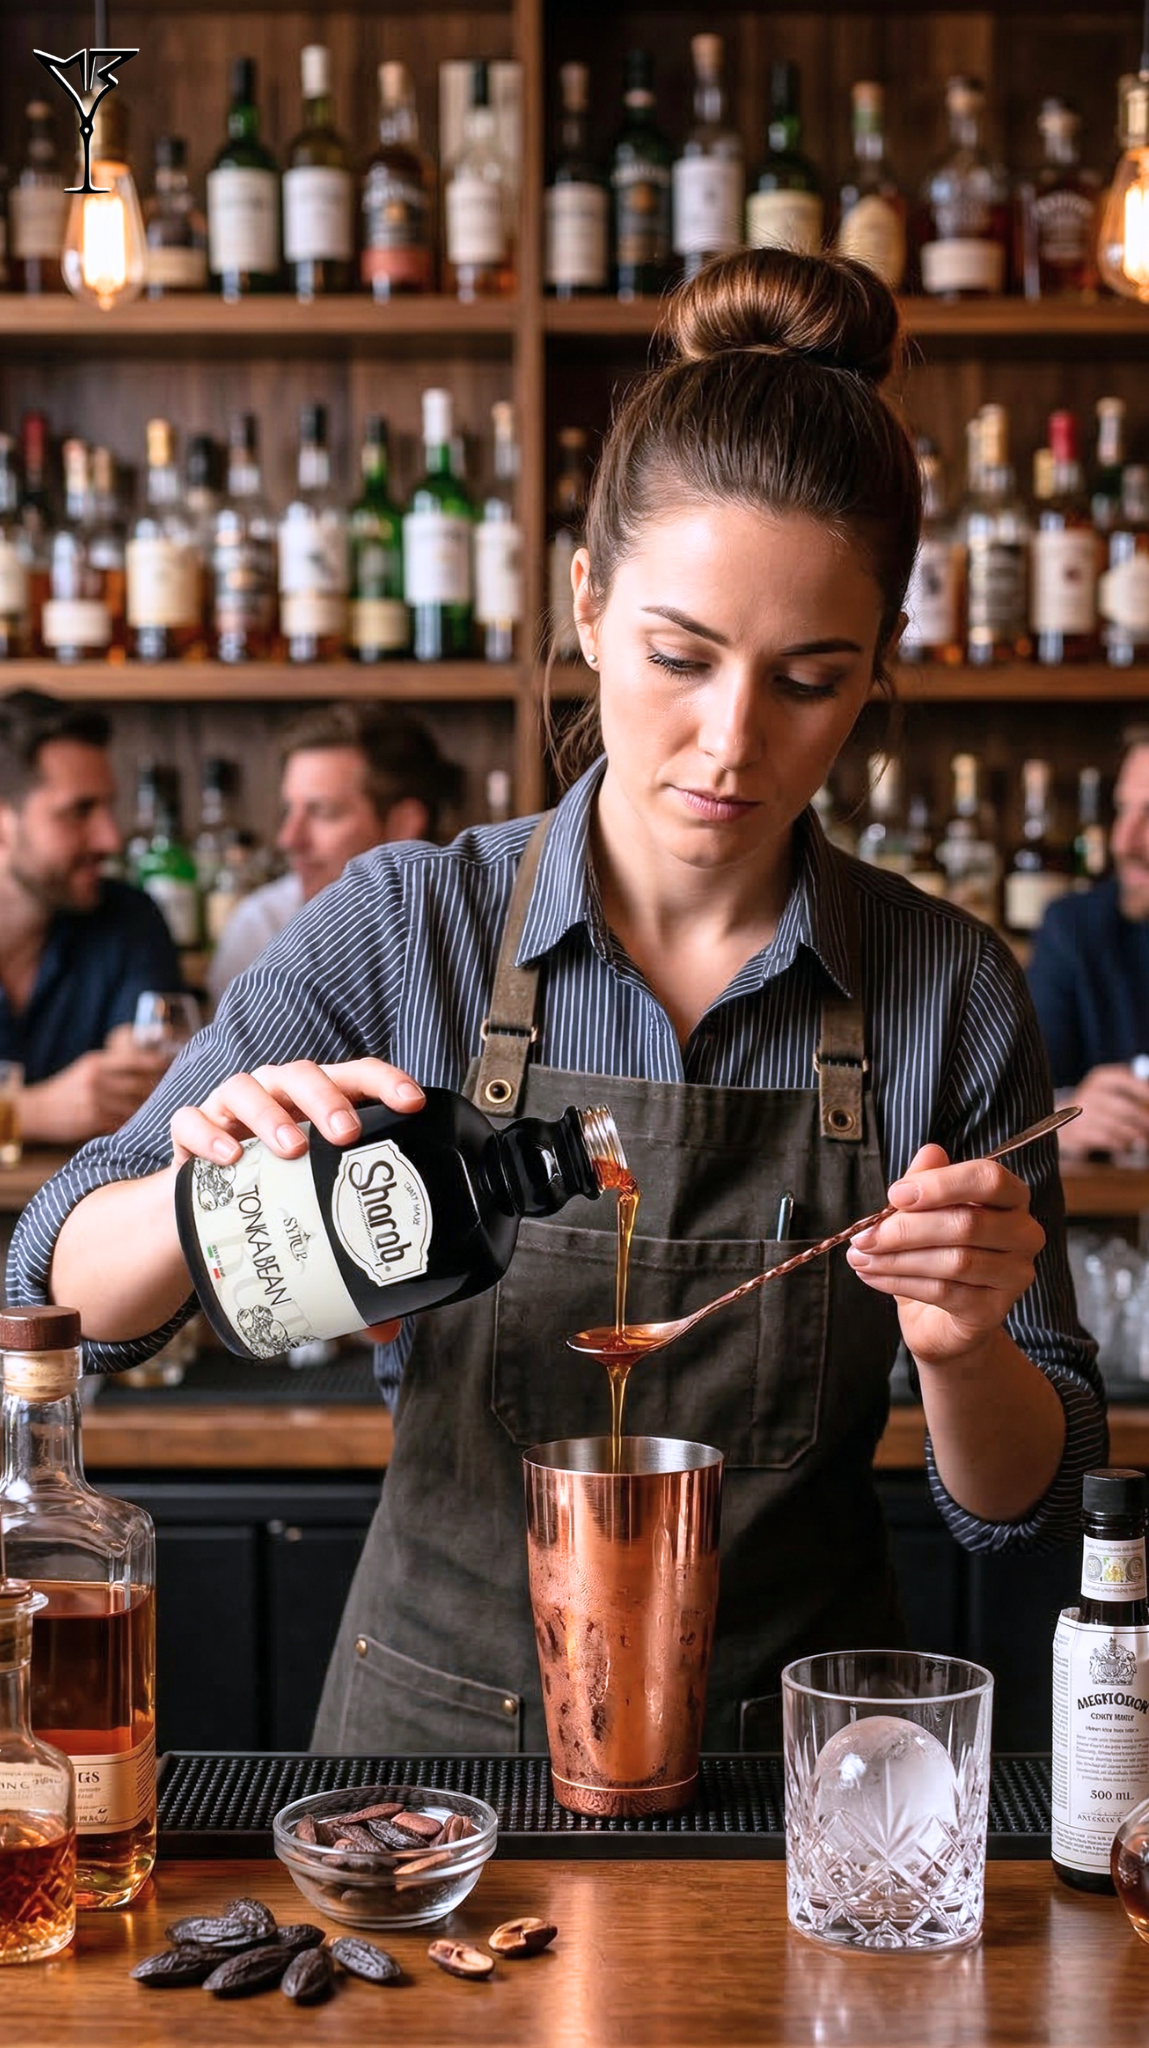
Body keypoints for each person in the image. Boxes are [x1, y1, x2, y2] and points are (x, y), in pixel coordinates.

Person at [10, 251, 1104, 1754]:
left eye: (807, 679)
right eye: (679, 656)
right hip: (437, 1773)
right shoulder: (413, 927)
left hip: (788, 1778)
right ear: (587, 606)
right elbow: (45, 1289)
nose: (729, 741)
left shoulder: (947, 987)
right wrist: (205, 1187)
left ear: (871, 683)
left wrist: (967, 1343)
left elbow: (1024, 1505)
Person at [0, 691, 178, 1145]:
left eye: (108, 807)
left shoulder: (129, 918)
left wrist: (134, 1081)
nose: (111, 838)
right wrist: (33, 1112)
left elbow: (147, 1089)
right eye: (80, 811)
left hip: (93, 1213)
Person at [207, 704, 464, 1005]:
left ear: (403, 823)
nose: (289, 838)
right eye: (289, 810)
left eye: (322, 812)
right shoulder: (262, 924)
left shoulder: (472, 926)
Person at [1028, 733, 1149, 1158]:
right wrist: (1067, 1117)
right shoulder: (1075, 928)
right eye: (1122, 810)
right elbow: (1018, 1108)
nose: (1124, 842)